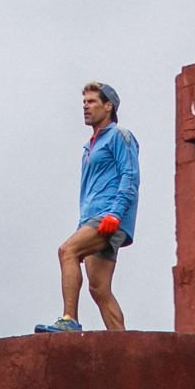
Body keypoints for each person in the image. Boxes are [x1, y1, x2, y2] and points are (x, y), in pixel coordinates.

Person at [36, 82, 140, 333]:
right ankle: (123, 344)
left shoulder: (119, 136)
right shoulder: (89, 146)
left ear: (108, 106)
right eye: (84, 102)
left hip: (109, 216)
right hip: (93, 218)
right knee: (99, 288)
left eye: (92, 102)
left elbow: (129, 176)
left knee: (67, 251)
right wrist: (82, 227)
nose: (85, 106)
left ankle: (69, 320)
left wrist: (115, 214)